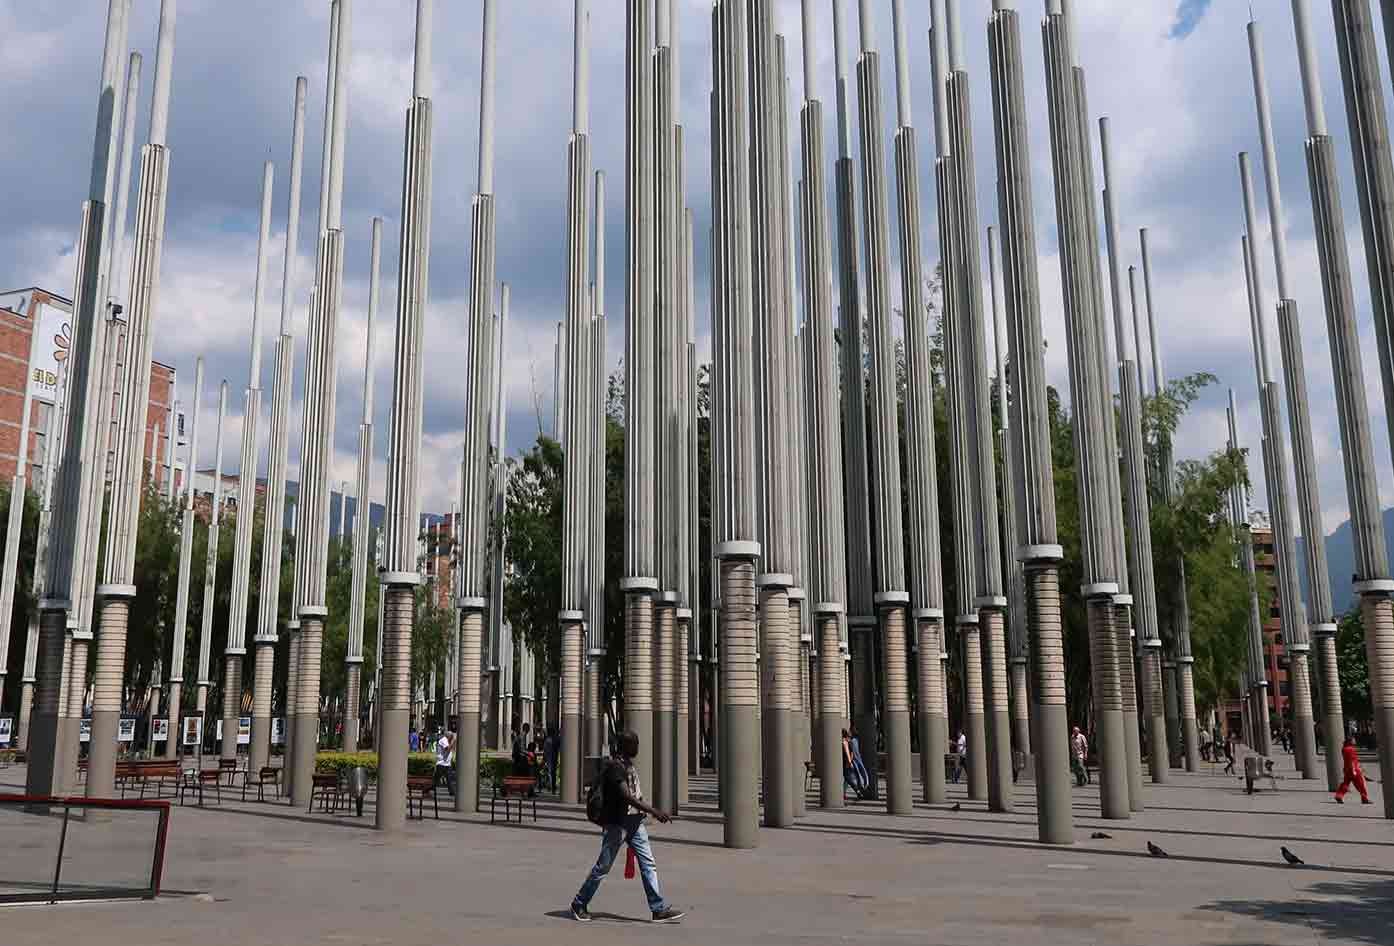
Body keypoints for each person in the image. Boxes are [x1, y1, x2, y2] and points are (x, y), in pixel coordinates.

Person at [570, 729, 685, 924]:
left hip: (634, 822)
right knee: (603, 867)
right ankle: (579, 903)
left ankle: (658, 909)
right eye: (635, 744)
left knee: (648, 863)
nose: (638, 747)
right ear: (626, 746)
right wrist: (654, 811)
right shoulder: (616, 767)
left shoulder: (628, 765)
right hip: (618, 824)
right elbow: (626, 796)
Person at [1334, 736, 1371, 805]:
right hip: (1354, 769)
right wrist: (1355, 769)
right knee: (1361, 784)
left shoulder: (1344, 749)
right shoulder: (1351, 749)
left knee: (1345, 784)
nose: (1355, 741)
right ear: (1350, 741)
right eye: (1353, 740)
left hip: (1347, 769)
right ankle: (1364, 798)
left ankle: (1339, 795)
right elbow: (1352, 761)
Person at [841, 729, 864, 799]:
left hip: (846, 763)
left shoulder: (844, 742)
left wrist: (849, 762)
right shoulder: (848, 741)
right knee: (846, 779)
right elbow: (851, 753)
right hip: (847, 762)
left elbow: (848, 752)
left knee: (848, 779)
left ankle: (858, 791)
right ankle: (843, 794)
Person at [849, 726, 871, 792]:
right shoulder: (855, 740)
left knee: (857, 773)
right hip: (857, 758)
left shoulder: (852, 741)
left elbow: (852, 751)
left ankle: (863, 785)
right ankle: (865, 783)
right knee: (860, 771)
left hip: (855, 759)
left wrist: (850, 760)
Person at [435, 731, 455, 796]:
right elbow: (447, 749)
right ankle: (427, 790)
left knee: (449, 779)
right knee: (436, 779)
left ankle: (452, 792)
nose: (452, 737)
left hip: (447, 764)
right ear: (448, 736)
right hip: (441, 763)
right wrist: (452, 742)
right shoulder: (443, 740)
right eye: (451, 736)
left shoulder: (447, 740)